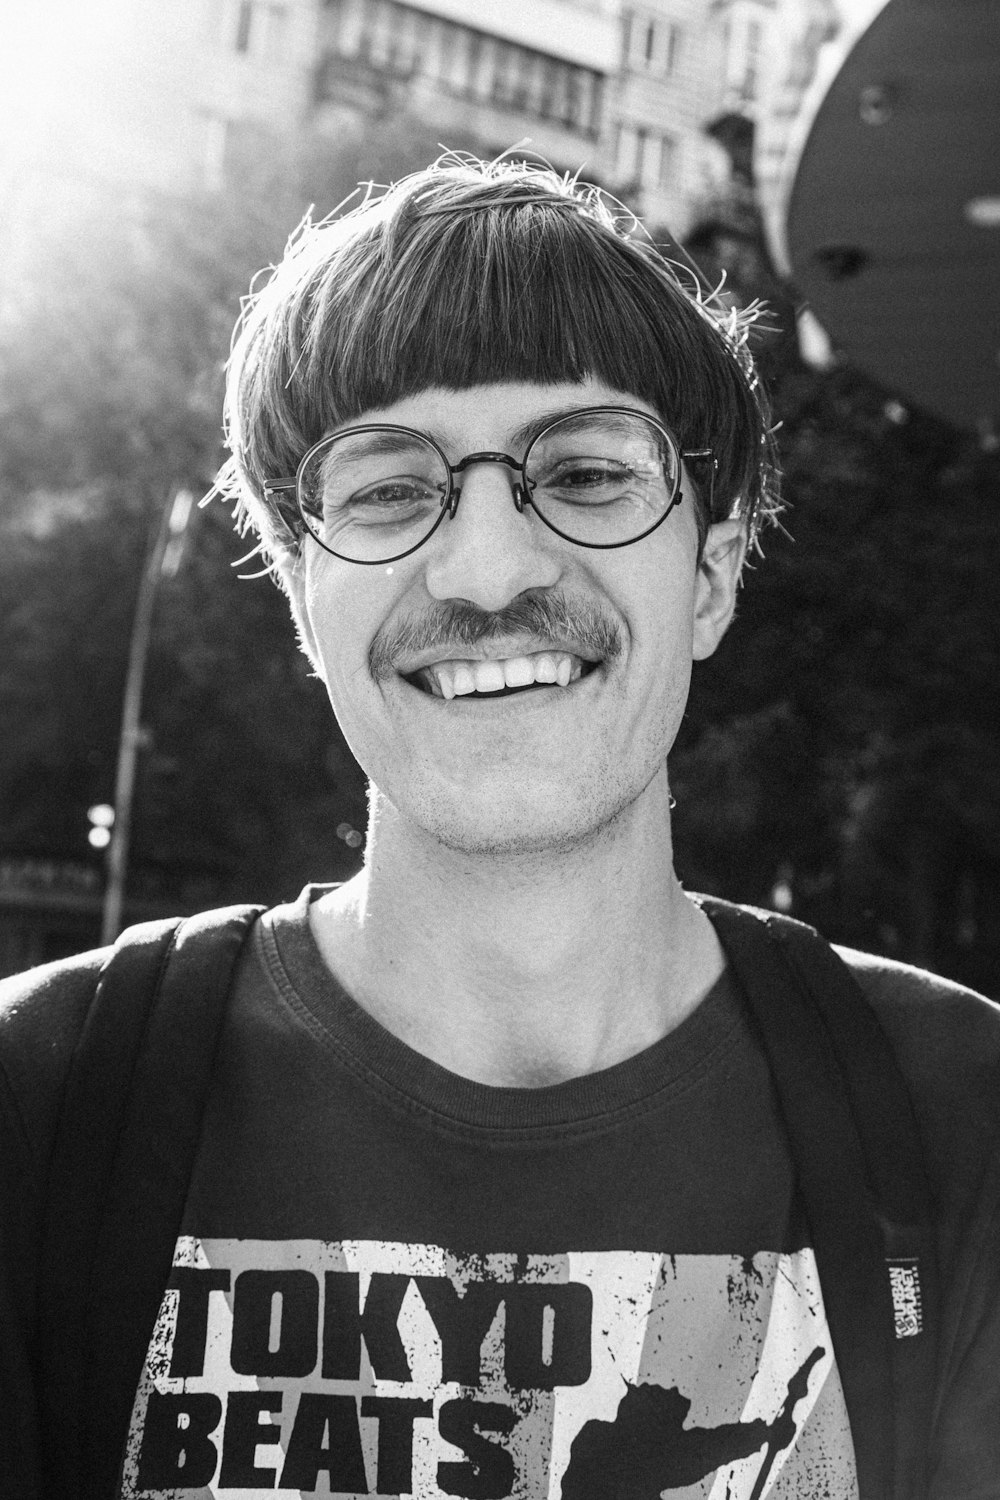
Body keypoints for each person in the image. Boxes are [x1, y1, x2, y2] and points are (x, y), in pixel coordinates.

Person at [2, 156, 998, 1500]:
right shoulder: (41, 1106)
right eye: (388, 488)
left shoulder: (962, 1122)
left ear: (711, 573)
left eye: (586, 472)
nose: (486, 572)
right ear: (304, 591)